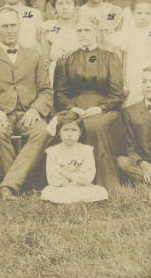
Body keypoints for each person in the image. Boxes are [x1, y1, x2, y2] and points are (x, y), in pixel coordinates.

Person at [0, 7, 54, 199]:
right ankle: (20, 185)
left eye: (13, 25)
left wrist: (35, 109)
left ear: (19, 27)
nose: (9, 30)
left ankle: (9, 186)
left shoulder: (34, 55)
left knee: (43, 132)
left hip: (28, 113)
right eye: (4, 26)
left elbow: (46, 91)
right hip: (0, 114)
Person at [53, 17, 126, 192]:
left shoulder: (110, 57)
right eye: (79, 31)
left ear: (96, 33)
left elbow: (117, 93)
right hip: (74, 107)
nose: (83, 34)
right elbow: (59, 93)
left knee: (94, 125)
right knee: (60, 125)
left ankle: (105, 182)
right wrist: (72, 107)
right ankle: (63, 179)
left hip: (104, 108)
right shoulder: (66, 59)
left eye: (87, 30)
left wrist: (99, 108)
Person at [40, 111, 108, 204]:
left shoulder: (86, 150)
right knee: (49, 193)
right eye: (65, 130)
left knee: (100, 192)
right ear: (59, 132)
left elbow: (88, 176)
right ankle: (70, 199)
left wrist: (67, 175)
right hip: (61, 189)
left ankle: (71, 199)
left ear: (80, 132)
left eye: (74, 130)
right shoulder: (53, 151)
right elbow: (53, 178)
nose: (70, 134)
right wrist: (69, 181)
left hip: (81, 187)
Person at [39, 0, 81, 84]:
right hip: (55, 75)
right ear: (54, 7)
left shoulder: (81, 27)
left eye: (68, 3)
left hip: (80, 74)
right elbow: (45, 59)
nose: (64, 7)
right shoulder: (49, 27)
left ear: (75, 6)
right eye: (60, 3)